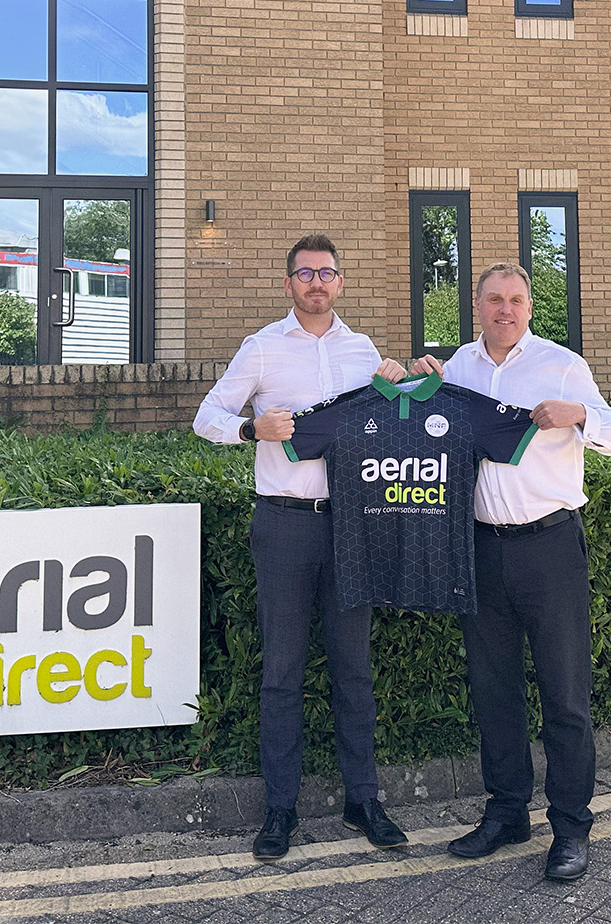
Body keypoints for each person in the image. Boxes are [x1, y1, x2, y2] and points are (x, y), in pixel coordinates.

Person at [192, 234, 409, 861]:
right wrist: (248, 427)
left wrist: (396, 381)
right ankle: (279, 808)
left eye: (327, 273)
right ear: (289, 284)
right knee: (283, 673)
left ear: (340, 283)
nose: (317, 282)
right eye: (305, 273)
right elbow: (207, 416)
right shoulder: (261, 349)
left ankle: (363, 799)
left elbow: (386, 425)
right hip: (283, 524)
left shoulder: (362, 350)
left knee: (354, 671)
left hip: (353, 524)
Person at [412, 262, 611, 881]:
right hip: (481, 547)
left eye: (515, 300)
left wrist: (580, 416)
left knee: (565, 695)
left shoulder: (562, 365)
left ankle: (569, 828)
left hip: (550, 548)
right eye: (493, 300)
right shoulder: (459, 367)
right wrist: (419, 379)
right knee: (493, 690)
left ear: (530, 308)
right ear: (476, 307)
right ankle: (507, 812)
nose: (505, 310)